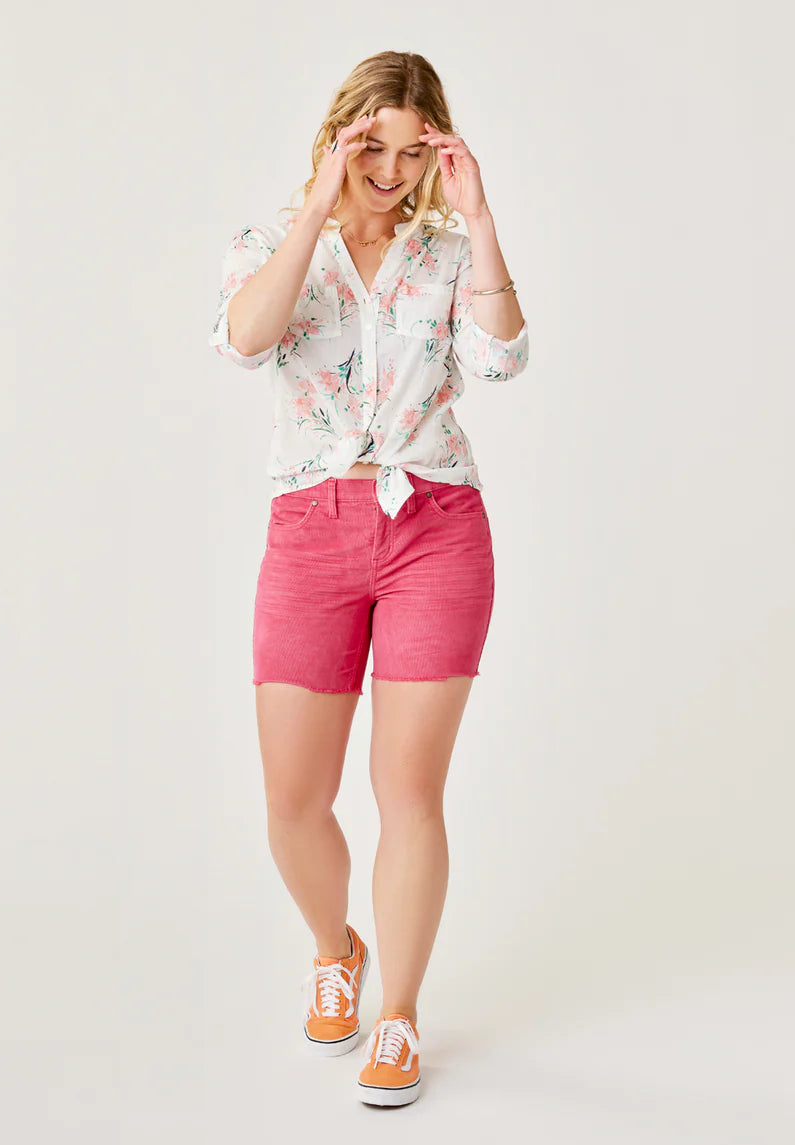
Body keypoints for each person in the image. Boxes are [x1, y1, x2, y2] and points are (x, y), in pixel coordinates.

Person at [209, 50, 529, 1107]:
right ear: (340, 135)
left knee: (408, 790)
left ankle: (397, 1013)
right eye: (371, 146)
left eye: (409, 150)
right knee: (292, 801)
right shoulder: (269, 244)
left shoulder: (443, 252)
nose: (390, 170)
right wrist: (315, 211)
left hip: (435, 523)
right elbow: (248, 340)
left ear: (435, 150)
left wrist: (479, 222)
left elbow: (498, 362)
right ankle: (334, 947)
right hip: (312, 526)